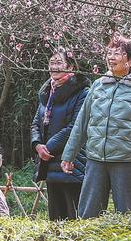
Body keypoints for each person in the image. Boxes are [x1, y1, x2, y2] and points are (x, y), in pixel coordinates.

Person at [61, 35, 131, 217]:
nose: (111, 57)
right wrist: (68, 155)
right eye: (109, 53)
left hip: (127, 160)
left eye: (117, 54)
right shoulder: (98, 85)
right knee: (88, 215)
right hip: (96, 158)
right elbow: (82, 122)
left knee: (128, 216)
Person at [30, 49, 90, 220]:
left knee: (75, 215)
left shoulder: (82, 92)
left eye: (59, 63)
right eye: (51, 63)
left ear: (70, 66)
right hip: (48, 161)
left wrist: (47, 148)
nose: (54, 67)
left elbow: (76, 126)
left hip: (72, 159)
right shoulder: (47, 93)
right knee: (55, 217)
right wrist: (37, 145)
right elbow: (36, 123)